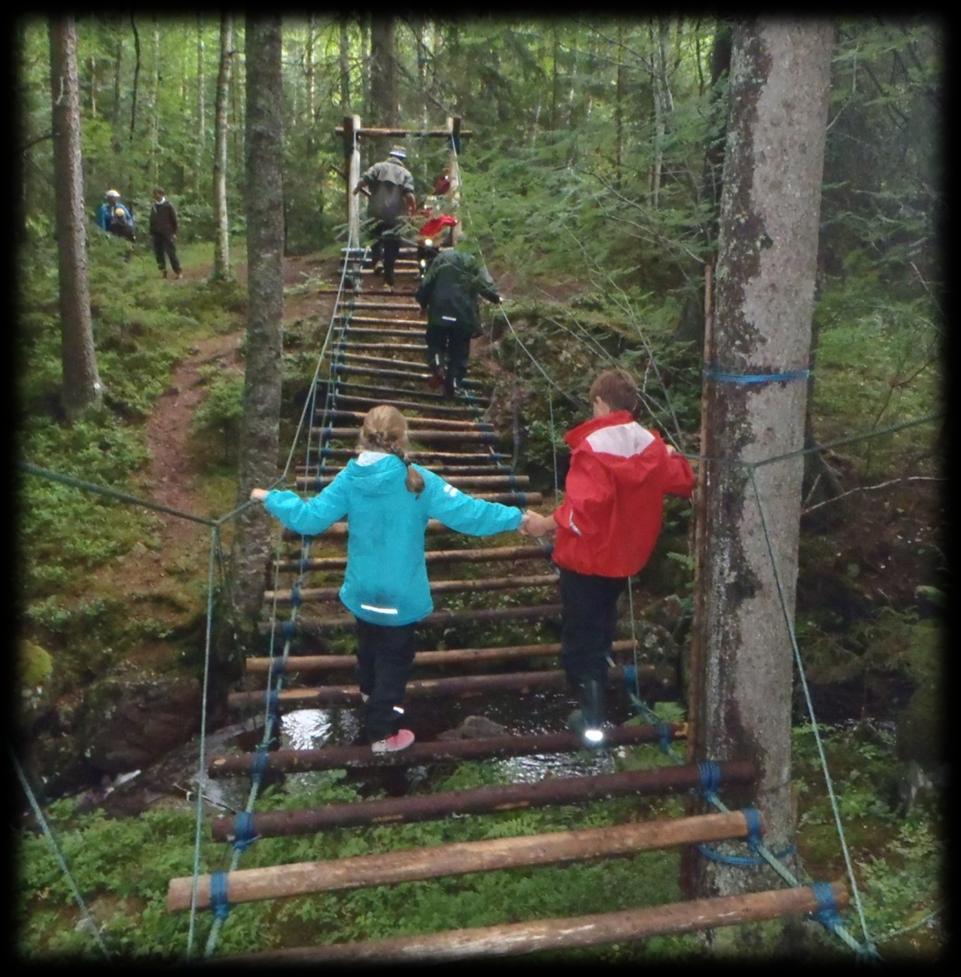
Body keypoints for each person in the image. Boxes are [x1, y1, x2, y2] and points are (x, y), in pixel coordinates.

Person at [251, 405, 535, 754]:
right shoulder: (417, 480)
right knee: (395, 662)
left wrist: (272, 499)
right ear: (403, 438)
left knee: (369, 648)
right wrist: (515, 518)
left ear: (363, 437)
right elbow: (469, 513)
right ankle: (383, 734)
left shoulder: (350, 478)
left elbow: (310, 518)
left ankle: (370, 698)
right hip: (401, 596)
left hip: (362, 590)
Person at [521, 369, 696, 748]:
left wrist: (545, 524)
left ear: (600, 402)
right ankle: (597, 695)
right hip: (626, 559)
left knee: (579, 636)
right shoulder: (650, 443)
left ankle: (592, 717)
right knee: (601, 622)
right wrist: (671, 454)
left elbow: (583, 510)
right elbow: (683, 481)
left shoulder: (592, 449)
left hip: (586, 558)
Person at [414, 241, 501, 399]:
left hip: (440, 309)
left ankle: (439, 367)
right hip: (463, 313)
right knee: (459, 351)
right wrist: (496, 297)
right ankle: (453, 384)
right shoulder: (473, 261)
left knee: (435, 343)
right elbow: (484, 283)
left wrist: (422, 301)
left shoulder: (442, 258)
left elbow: (428, 282)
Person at [353, 145, 416, 289]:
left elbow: (365, 179)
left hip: (375, 212)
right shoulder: (406, 174)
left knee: (375, 237)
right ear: (402, 159)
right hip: (395, 216)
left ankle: (376, 261)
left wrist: (356, 190)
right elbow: (409, 195)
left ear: (390, 155)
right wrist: (412, 210)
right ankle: (388, 281)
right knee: (391, 246)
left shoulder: (378, 167)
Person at [148, 187, 182, 280]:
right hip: (156, 234)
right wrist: (151, 233)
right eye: (154, 194)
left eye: (156, 194)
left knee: (171, 253)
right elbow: (151, 220)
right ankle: (163, 272)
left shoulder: (168, 206)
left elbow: (174, 220)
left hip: (168, 233)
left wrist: (174, 232)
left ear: (162, 194)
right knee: (159, 254)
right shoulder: (154, 206)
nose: (155, 196)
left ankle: (178, 271)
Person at [96, 189, 135, 257]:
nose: (114, 200)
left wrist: (129, 227)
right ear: (108, 198)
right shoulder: (104, 208)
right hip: (109, 229)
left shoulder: (121, 207)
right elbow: (102, 220)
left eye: (116, 198)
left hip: (122, 229)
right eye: (112, 198)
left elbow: (128, 218)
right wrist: (104, 232)